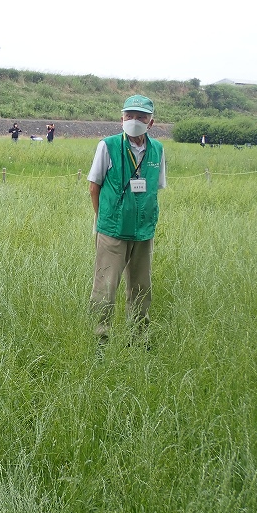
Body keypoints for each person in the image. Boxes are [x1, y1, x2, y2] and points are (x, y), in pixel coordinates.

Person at [88, 94, 166, 345]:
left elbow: (156, 187)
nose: (134, 121)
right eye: (129, 116)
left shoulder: (157, 149)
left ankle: (139, 337)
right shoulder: (108, 146)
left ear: (151, 122)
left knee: (141, 287)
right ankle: (100, 337)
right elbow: (94, 186)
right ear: (121, 119)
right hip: (113, 230)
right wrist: (102, 218)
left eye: (141, 117)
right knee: (105, 286)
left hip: (144, 230)